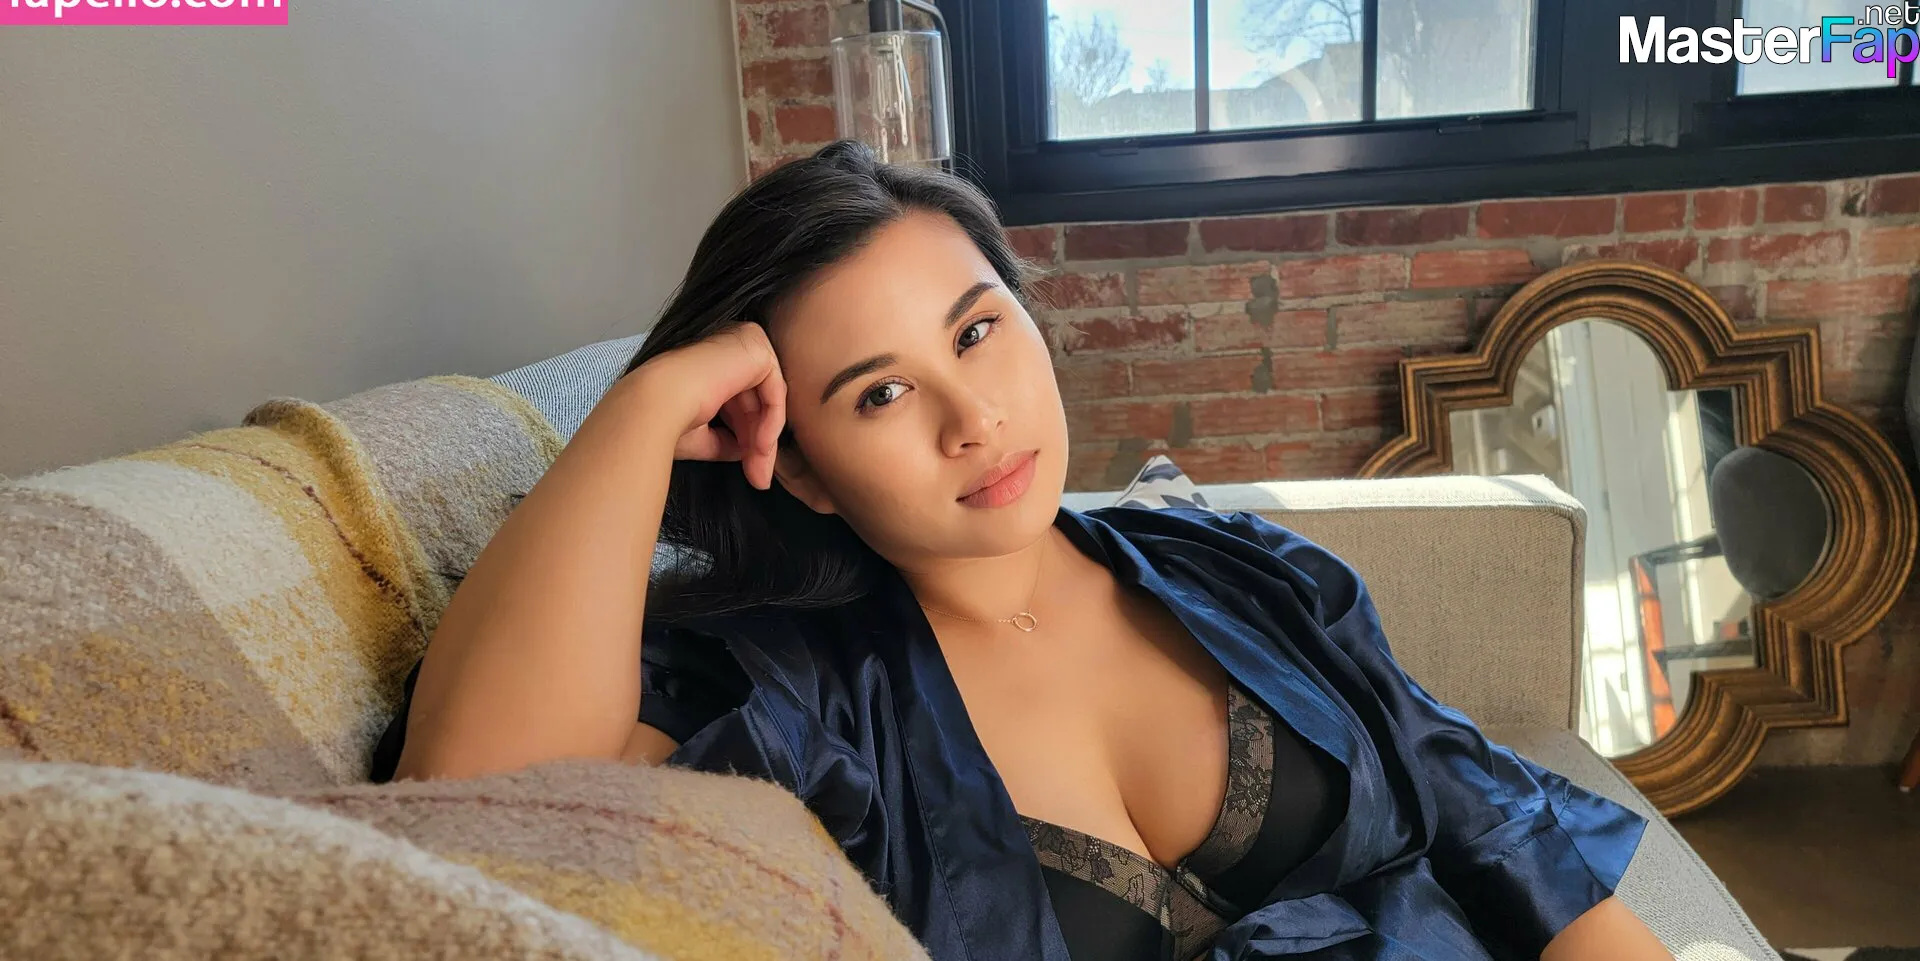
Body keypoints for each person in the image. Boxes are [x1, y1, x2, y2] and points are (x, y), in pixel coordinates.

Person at [370, 141, 1668, 961]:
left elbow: (1506, 844)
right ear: (800, 466)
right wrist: (646, 410)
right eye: (880, 393)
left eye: (978, 331)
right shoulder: (789, 694)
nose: (972, 420)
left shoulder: (1252, 573)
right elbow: (475, 803)